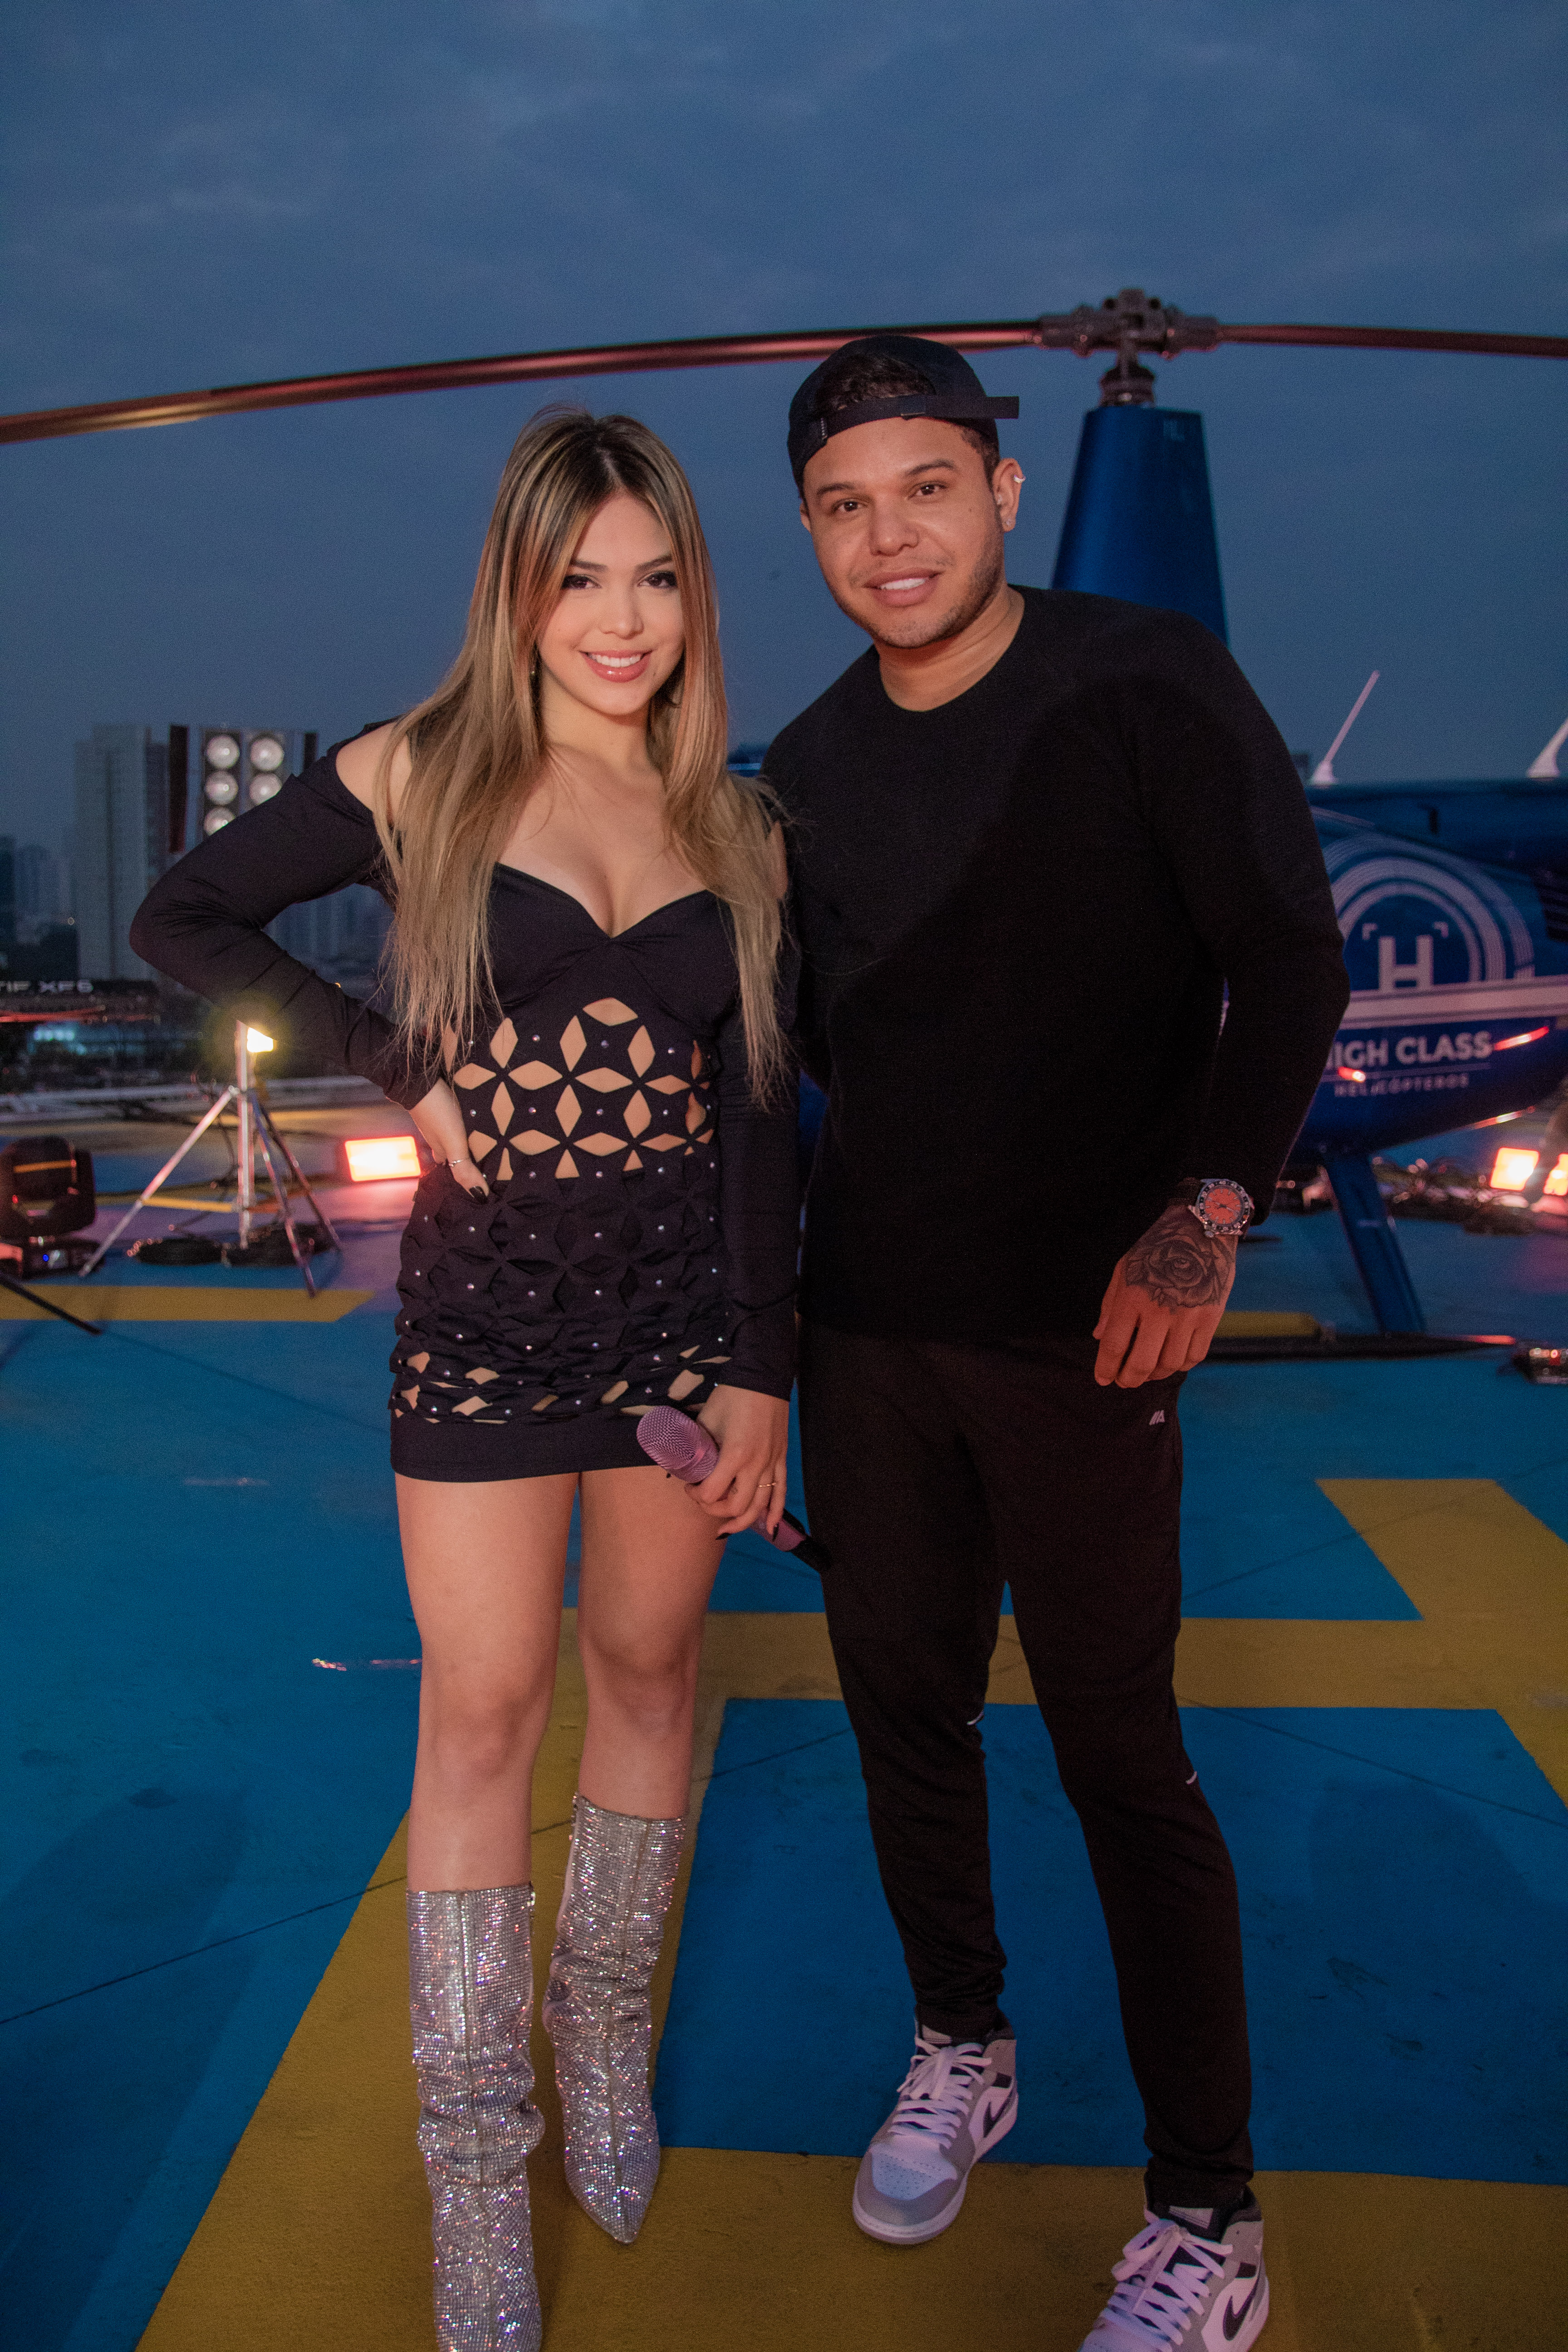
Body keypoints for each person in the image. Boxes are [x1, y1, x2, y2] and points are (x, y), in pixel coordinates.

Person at [131, 409, 798, 2352]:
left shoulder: (738, 821)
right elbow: (185, 912)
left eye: (656, 577)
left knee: (654, 1679)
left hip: (683, 1329)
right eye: (578, 577)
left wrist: (762, 1368)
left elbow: (766, 1114)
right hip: (491, 1326)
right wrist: (391, 1059)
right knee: (487, 1706)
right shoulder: (423, 767)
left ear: (697, 594)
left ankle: (605, 2057)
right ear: (514, 589)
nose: (622, 619)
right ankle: (478, 2166)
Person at [764, 335, 1349, 2352]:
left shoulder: (1141, 681)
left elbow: (1289, 954)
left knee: (1123, 1755)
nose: (888, 536)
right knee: (902, 1714)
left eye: (927, 487)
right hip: (869, 1329)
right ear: (810, 533)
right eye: (844, 506)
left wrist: (1206, 1214)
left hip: (1086, 1334)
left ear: (1005, 494)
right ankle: (963, 2042)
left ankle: (1208, 2219)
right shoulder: (808, 766)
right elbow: (813, 1068)